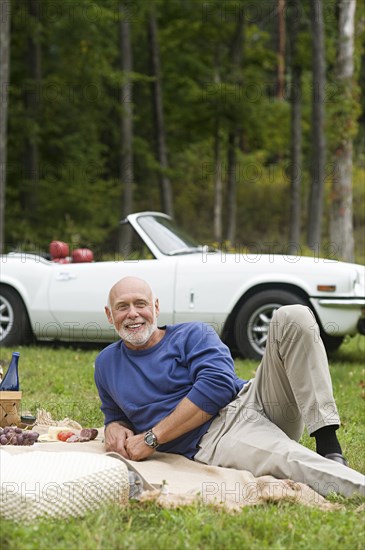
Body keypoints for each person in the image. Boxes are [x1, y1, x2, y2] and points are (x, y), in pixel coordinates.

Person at [94, 276, 365, 498]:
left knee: (293, 315)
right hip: (216, 436)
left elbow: (219, 386)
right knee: (292, 460)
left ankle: (329, 445)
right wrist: (114, 425)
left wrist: (153, 438)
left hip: (252, 399)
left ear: (155, 307)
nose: (132, 314)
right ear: (109, 314)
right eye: (122, 306)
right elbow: (115, 413)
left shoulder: (192, 334)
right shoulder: (106, 363)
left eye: (140, 304)